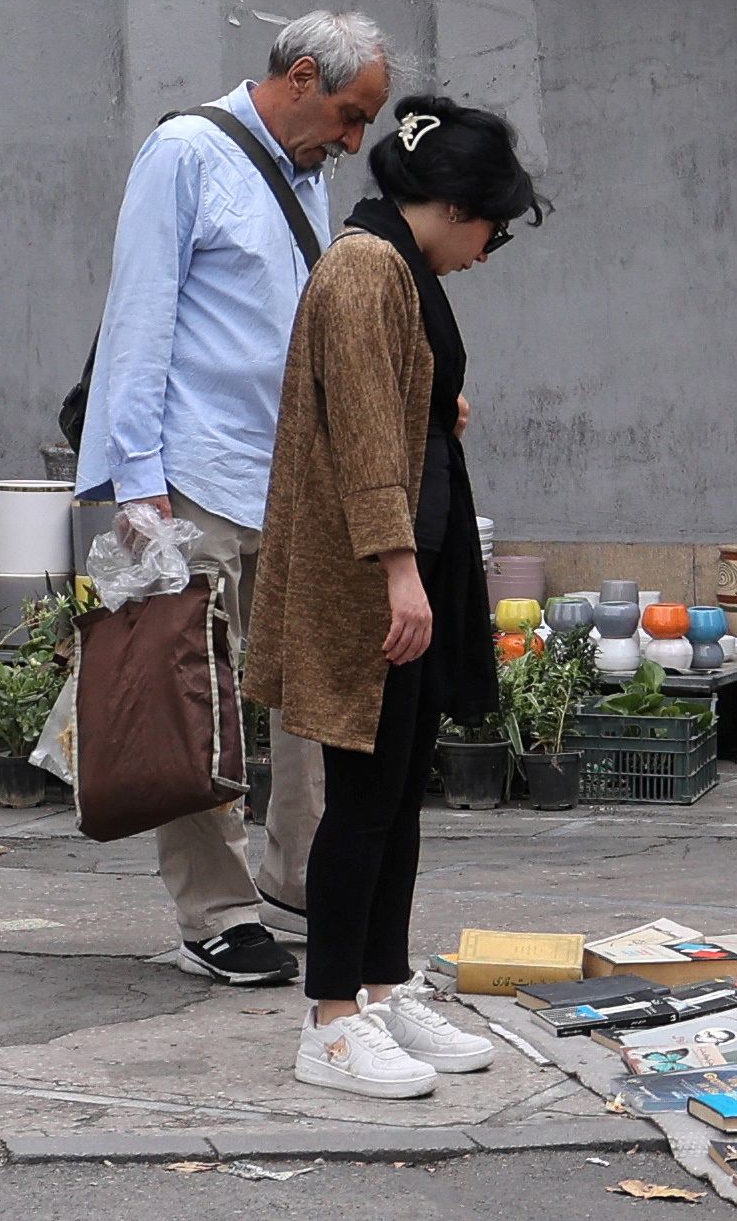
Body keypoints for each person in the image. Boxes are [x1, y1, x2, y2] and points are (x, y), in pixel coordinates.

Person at [80, 12, 397, 987]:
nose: (352, 143)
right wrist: (137, 488)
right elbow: (139, 313)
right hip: (191, 484)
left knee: (307, 697)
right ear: (299, 76)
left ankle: (296, 882)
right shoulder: (183, 154)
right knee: (187, 703)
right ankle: (214, 913)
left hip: (295, 483)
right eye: (347, 117)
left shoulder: (308, 170)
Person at [252, 96, 541, 1101]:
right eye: (491, 230)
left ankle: (379, 987)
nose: (488, 250)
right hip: (372, 570)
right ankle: (328, 1019)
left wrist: (434, 399)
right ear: (454, 205)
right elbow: (367, 441)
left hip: (406, 551)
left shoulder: (391, 265)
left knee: (397, 794)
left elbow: (386, 402)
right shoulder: (364, 269)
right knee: (363, 801)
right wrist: (399, 573)